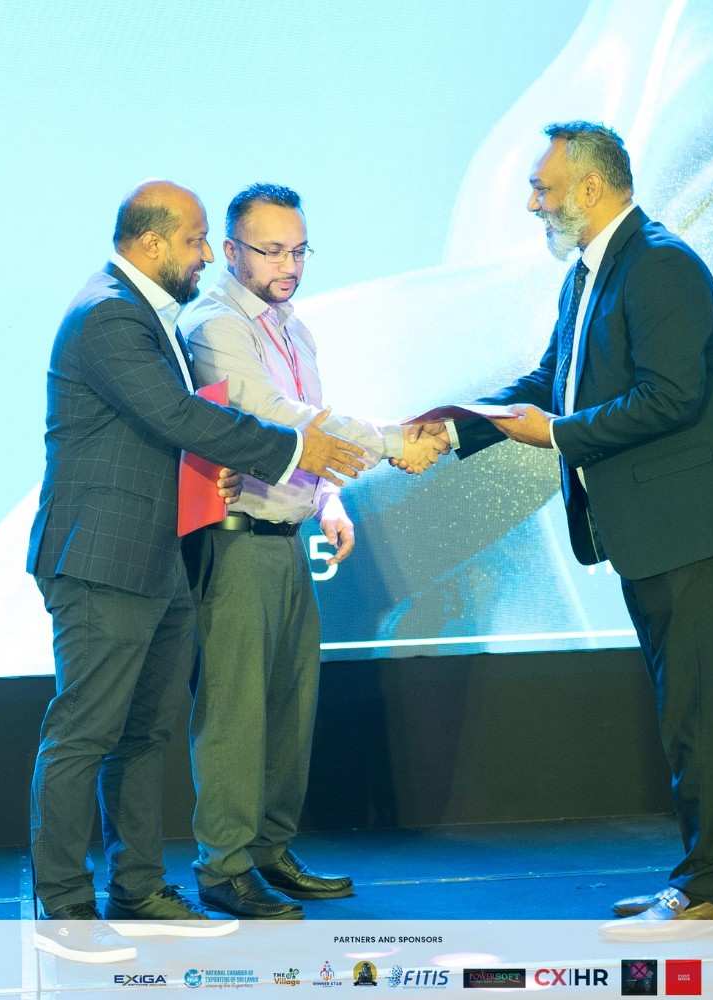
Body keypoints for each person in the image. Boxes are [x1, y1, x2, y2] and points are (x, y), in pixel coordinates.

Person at [25, 179, 370, 960]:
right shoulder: (109, 314)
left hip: (159, 556)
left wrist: (228, 474)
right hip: (101, 560)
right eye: (195, 240)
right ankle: (65, 909)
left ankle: (138, 889)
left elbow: (171, 434)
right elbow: (178, 416)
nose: (206, 254)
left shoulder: (149, 315)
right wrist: (297, 448)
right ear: (150, 244)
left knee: (144, 734)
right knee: (85, 733)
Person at [452, 121, 713, 927]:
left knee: (700, 712)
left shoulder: (662, 264)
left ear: (591, 188)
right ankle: (703, 880)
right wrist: (454, 427)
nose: (532, 203)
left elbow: (672, 397)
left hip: (698, 529)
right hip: (656, 532)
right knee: (685, 712)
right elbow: (550, 380)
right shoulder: (591, 273)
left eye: (543, 188)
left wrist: (559, 435)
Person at [178, 183, 449, 919]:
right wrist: (392, 441)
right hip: (235, 541)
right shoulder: (214, 324)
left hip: (287, 539)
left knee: (289, 706)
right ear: (230, 251)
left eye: (299, 250)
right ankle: (224, 866)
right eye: (271, 250)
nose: (289, 265)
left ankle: (270, 851)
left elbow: (311, 445)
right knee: (235, 712)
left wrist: (329, 500)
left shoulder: (296, 330)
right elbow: (273, 416)